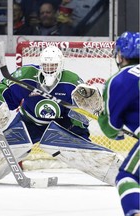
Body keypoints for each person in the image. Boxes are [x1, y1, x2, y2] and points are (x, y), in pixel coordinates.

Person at [0, 46, 94, 185]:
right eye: (46, 65)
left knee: (82, 144)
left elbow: (83, 107)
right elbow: (3, 90)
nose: (49, 68)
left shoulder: (71, 80)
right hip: (29, 122)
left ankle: (98, 159)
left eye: (53, 65)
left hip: (61, 124)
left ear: (60, 65)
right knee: (3, 148)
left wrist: (82, 123)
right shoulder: (26, 74)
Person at [72, 31, 140, 216]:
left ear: (120, 55)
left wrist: (101, 113)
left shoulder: (120, 80)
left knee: (128, 177)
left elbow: (111, 129)